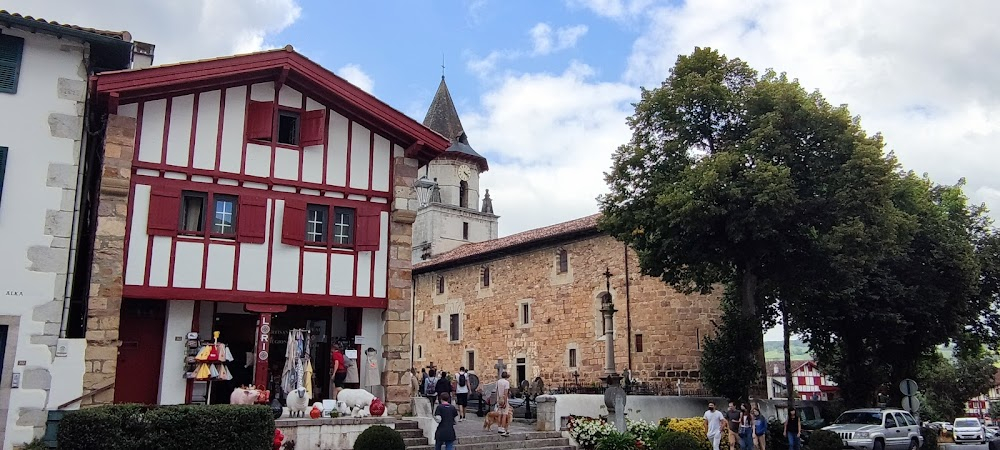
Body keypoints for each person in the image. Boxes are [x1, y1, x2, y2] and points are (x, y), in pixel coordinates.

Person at [496, 371, 512, 437]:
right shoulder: (506, 382)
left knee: (499, 413)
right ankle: (503, 428)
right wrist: (505, 402)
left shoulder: (498, 381)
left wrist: (497, 400)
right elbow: (506, 393)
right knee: (504, 414)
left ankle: (499, 427)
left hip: (499, 398)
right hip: (503, 398)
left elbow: (497, 390)